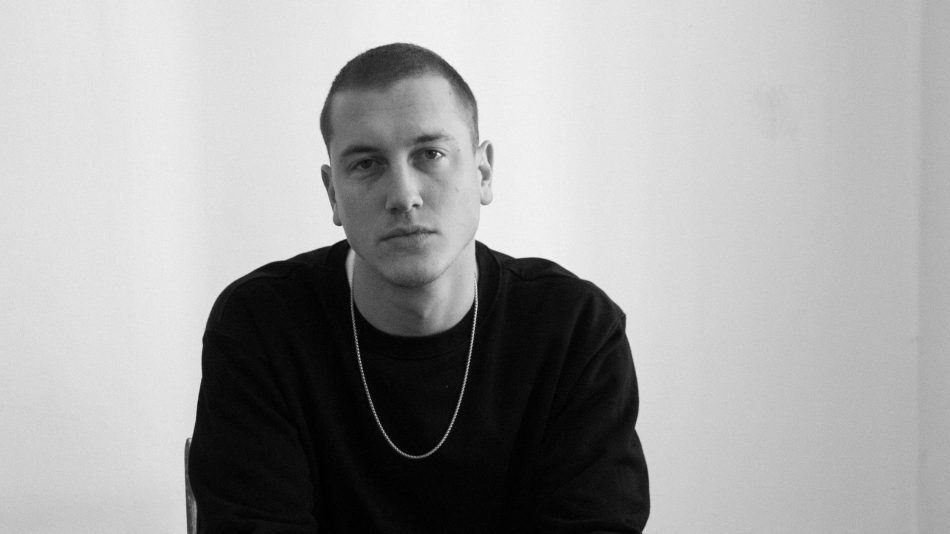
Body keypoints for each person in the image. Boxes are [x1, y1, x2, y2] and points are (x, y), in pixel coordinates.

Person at [189, 42, 649, 533]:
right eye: (367, 163)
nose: (404, 195)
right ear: (333, 193)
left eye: (431, 154)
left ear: (483, 172)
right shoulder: (261, 327)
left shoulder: (574, 329)